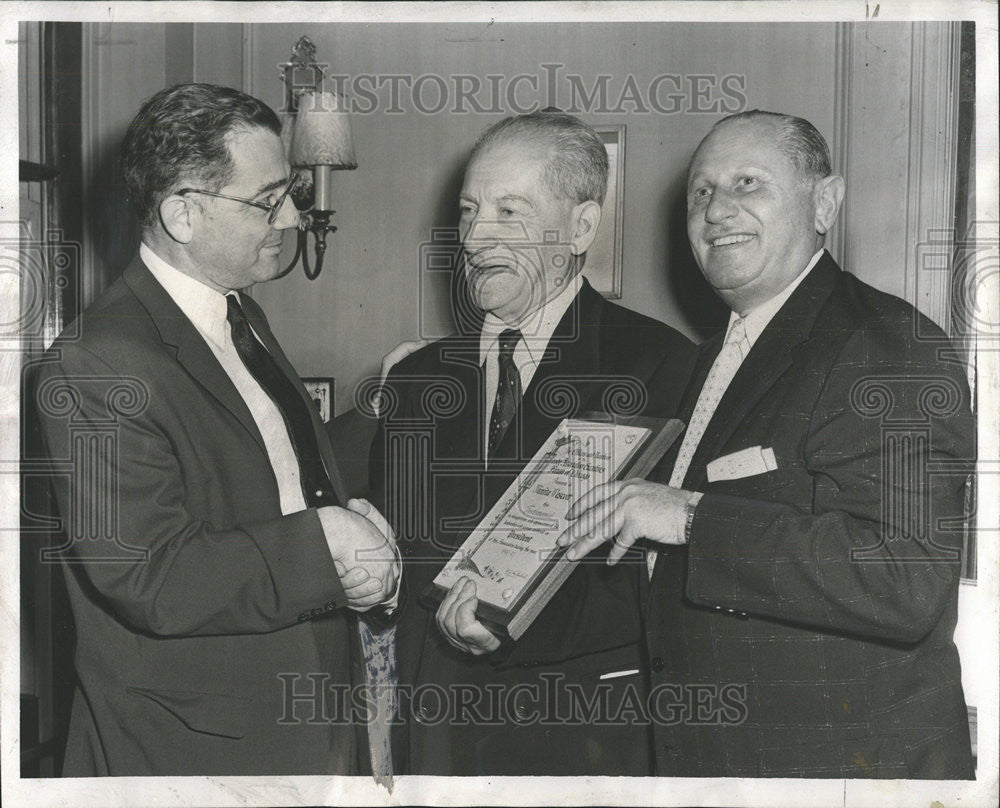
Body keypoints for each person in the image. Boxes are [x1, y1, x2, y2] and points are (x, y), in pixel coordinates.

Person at [559, 110, 975, 779]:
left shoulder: (886, 345)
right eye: (701, 192)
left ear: (825, 203)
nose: (717, 210)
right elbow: (672, 580)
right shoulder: (713, 360)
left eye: (747, 183)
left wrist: (691, 516)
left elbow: (903, 577)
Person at [33, 83, 400, 776]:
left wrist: (381, 404)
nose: (292, 218)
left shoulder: (238, 315)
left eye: (289, 193)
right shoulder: (96, 362)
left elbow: (270, 468)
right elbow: (151, 574)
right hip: (193, 748)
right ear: (182, 213)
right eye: (267, 201)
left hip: (300, 709)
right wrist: (329, 547)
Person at [369, 110, 697, 775]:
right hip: (444, 731)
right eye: (468, 212)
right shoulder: (414, 379)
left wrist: (506, 622)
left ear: (579, 228)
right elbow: (398, 549)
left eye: (510, 212)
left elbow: (661, 573)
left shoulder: (660, 366)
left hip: (585, 731)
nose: (478, 238)